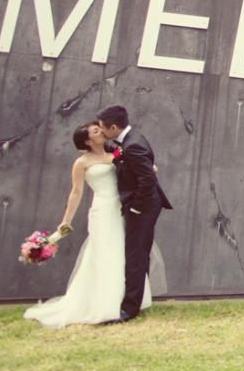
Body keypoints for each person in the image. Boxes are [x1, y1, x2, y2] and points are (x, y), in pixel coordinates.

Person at [24, 122, 152, 328]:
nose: (101, 131)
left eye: (99, 129)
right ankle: (103, 303)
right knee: (103, 253)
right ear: (86, 141)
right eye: (95, 131)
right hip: (102, 210)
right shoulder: (82, 163)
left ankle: (128, 299)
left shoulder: (117, 153)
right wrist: (66, 220)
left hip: (121, 207)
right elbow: (76, 192)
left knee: (124, 251)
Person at [95, 104, 173, 323]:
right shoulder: (129, 140)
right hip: (143, 205)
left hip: (144, 207)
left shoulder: (134, 145)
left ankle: (130, 309)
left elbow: (147, 181)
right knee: (137, 254)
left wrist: (137, 207)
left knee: (135, 256)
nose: (101, 132)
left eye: (102, 128)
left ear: (113, 127)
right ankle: (139, 299)